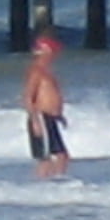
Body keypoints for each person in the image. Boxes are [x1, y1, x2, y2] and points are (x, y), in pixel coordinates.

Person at [23, 33, 70, 179]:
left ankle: (57, 183)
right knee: (45, 158)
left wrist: (59, 115)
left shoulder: (47, 72)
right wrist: (35, 119)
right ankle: (42, 185)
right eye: (51, 51)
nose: (54, 55)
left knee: (62, 156)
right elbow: (28, 96)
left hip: (50, 118)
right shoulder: (36, 71)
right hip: (41, 117)